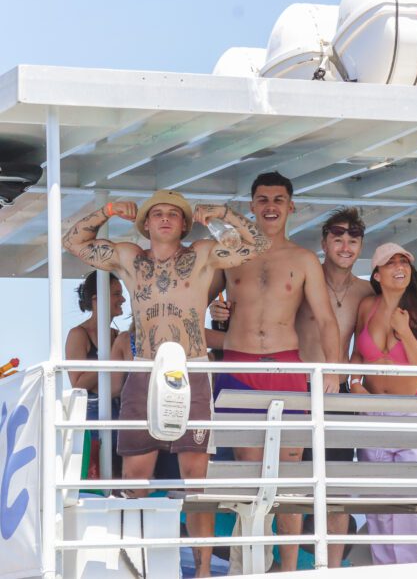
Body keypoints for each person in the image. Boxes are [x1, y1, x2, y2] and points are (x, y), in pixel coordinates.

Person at [63, 188, 270, 578]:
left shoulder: (204, 253)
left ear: (184, 223)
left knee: (196, 479)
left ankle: (205, 571)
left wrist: (225, 211)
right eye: (155, 213)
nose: (163, 219)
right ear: (144, 223)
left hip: (191, 368)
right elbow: (73, 241)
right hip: (144, 369)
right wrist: (106, 211)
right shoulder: (130, 257)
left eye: (172, 214)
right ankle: (132, 567)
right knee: (135, 476)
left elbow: (256, 244)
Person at [209, 171, 341, 572]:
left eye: (278, 200)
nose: (270, 206)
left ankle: (287, 569)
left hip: (287, 369)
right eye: (262, 199)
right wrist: (213, 317)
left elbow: (325, 319)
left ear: (290, 206)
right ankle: (249, 567)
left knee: (290, 478)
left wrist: (333, 372)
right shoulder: (229, 254)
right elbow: (193, 299)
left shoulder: (302, 260)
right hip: (238, 367)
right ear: (251, 205)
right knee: (251, 479)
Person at [349, 243, 417, 565]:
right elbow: (358, 354)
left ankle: (415, 571)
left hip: (413, 409)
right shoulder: (367, 307)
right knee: (378, 501)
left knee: (413, 502)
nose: (399, 267)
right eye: (391, 262)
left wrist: (404, 331)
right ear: (377, 273)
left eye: (405, 261)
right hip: (373, 410)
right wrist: (355, 384)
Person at [295, 207, 374, 567]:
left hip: (338, 393)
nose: (345, 245)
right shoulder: (303, 280)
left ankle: (334, 568)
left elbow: (372, 343)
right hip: (298, 388)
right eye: (338, 238)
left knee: (338, 489)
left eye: (353, 239)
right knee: (293, 487)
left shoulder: (366, 291)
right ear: (324, 240)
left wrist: (354, 374)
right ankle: (290, 567)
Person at [65, 270, 125, 478]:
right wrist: (109, 357)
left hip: (120, 411)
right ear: (96, 299)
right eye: (117, 294)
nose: (123, 299)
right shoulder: (78, 334)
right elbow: (78, 383)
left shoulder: (119, 336)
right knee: (94, 475)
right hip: (91, 412)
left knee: (119, 475)